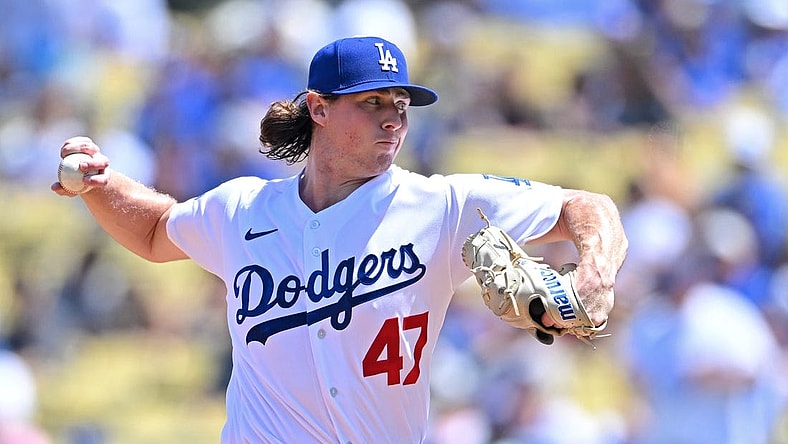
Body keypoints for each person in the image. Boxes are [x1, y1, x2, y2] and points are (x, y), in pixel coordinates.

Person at [51, 36, 628, 444]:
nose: (393, 120)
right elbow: (156, 229)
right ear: (319, 108)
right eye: (372, 102)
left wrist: (594, 277)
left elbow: (586, 207)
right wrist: (103, 184)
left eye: (400, 107)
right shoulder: (243, 209)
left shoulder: (441, 206)